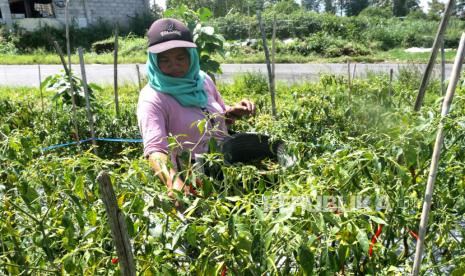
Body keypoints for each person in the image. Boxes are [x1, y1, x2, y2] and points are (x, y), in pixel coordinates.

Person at [137, 18, 255, 199]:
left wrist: (232, 112)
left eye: (180, 58)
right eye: (165, 60)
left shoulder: (202, 79)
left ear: (191, 55)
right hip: (191, 180)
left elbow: (216, 116)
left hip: (227, 169)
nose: (174, 65)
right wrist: (173, 181)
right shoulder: (152, 98)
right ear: (154, 60)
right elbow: (155, 150)